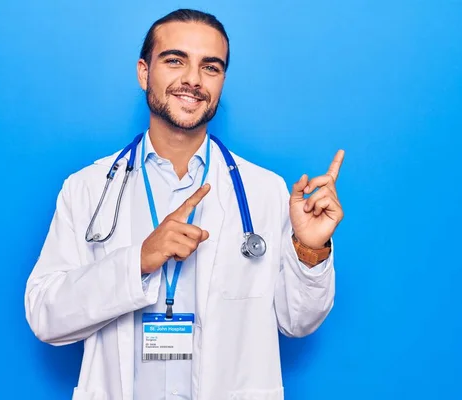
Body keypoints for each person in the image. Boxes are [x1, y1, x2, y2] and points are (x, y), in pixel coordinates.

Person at [25, 8, 344, 400]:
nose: (192, 79)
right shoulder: (87, 187)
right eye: (175, 60)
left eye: (210, 67)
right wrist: (138, 260)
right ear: (144, 72)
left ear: (222, 80)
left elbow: (298, 322)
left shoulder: (265, 191)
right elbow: (45, 316)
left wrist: (310, 251)